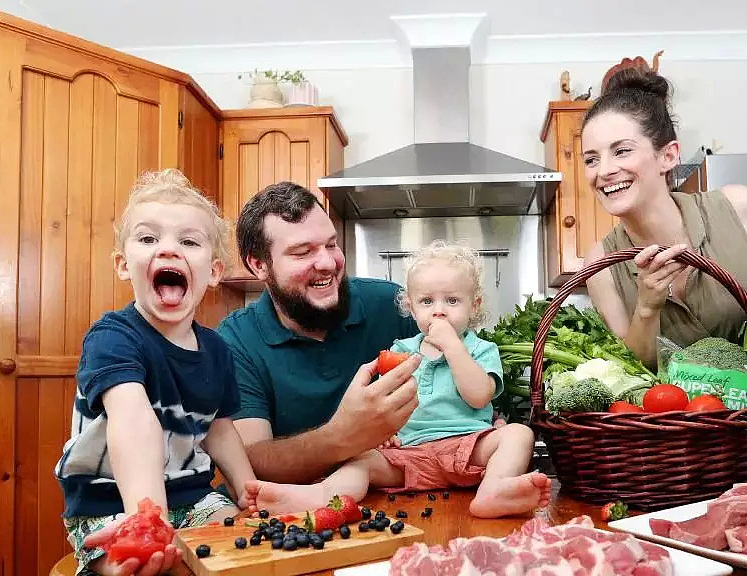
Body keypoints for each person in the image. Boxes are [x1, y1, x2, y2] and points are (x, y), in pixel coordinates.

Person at [579, 67, 747, 478]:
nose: (603, 170)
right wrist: (646, 306)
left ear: (668, 155)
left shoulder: (739, 208)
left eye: (621, 151)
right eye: (591, 159)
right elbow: (637, 369)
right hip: (688, 450)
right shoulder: (601, 265)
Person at [244, 241, 550, 518]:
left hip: (469, 449)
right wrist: (383, 433)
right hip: (408, 455)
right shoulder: (399, 351)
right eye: (427, 302)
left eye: (452, 301)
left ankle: (493, 490)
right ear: (411, 307)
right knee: (361, 459)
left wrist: (453, 346)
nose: (439, 312)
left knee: (518, 434)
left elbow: (479, 396)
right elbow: (385, 405)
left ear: (475, 305)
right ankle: (320, 495)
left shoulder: (480, 349)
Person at [54, 170, 261, 576]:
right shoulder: (112, 337)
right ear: (122, 264)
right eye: (148, 239)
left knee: (241, 546)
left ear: (214, 272)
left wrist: (248, 487)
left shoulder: (217, 349)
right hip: (108, 502)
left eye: (188, 241)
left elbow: (219, 429)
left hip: (194, 497)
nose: (168, 250)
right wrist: (147, 521)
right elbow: (133, 420)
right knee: (137, 562)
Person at [215, 182, 422, 485]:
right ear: (259, 265)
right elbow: (251, 460)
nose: (327, 263)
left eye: (330, 244)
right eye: (302, 252)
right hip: (298, 515)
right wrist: (343, 436)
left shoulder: (392, 306)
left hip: (405, 492)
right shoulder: (236, 341)